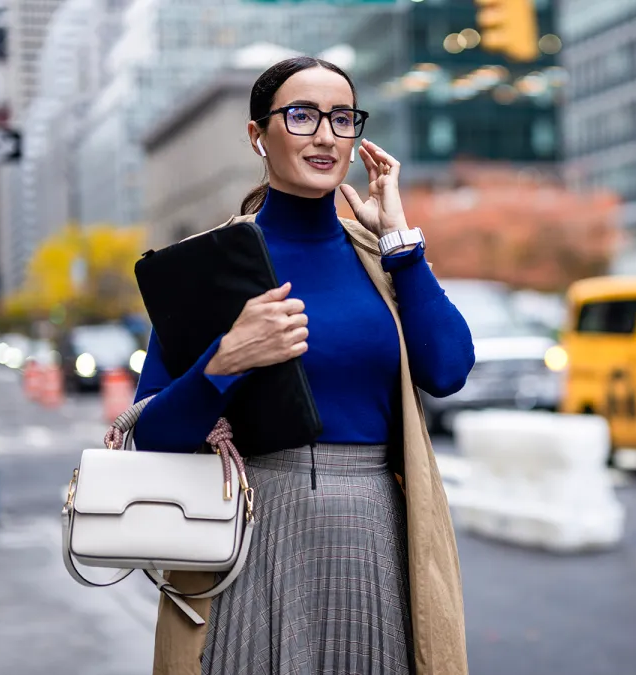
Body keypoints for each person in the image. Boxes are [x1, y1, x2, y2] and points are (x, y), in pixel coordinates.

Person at [131, 56, 475, 675]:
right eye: (301, 115)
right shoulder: (205, 267)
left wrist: (400, 240)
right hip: (246, 534)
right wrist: (225, 361)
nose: (324, 135)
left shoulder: (381, 257)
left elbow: (448, 369)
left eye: (341, 118)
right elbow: (151, 434)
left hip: (375, 532)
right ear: (258, 134)